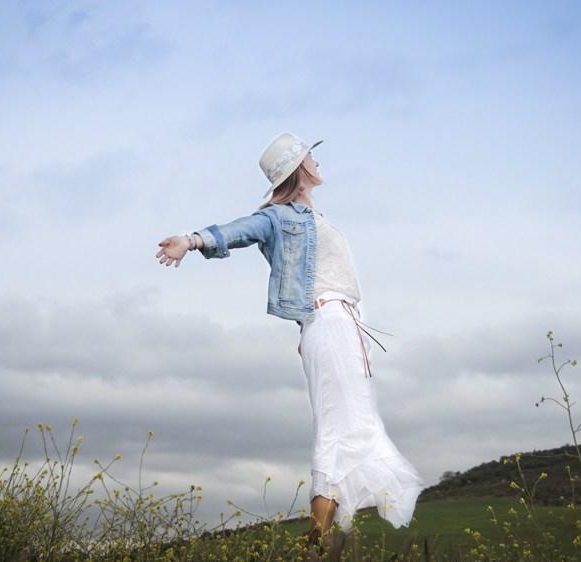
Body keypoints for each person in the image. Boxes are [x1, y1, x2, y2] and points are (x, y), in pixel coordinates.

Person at [155, 132, 425, 551]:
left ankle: (321, 537)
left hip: (340, 324)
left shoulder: (317, 219)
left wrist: (314, 327)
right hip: (328, 322)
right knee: (337, 428)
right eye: (310, 157)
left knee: (353, 424)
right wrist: (191, 241)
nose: (317, 162)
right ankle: (317, 540)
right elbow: (240, 230)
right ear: (298, 169)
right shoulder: (280, 217)